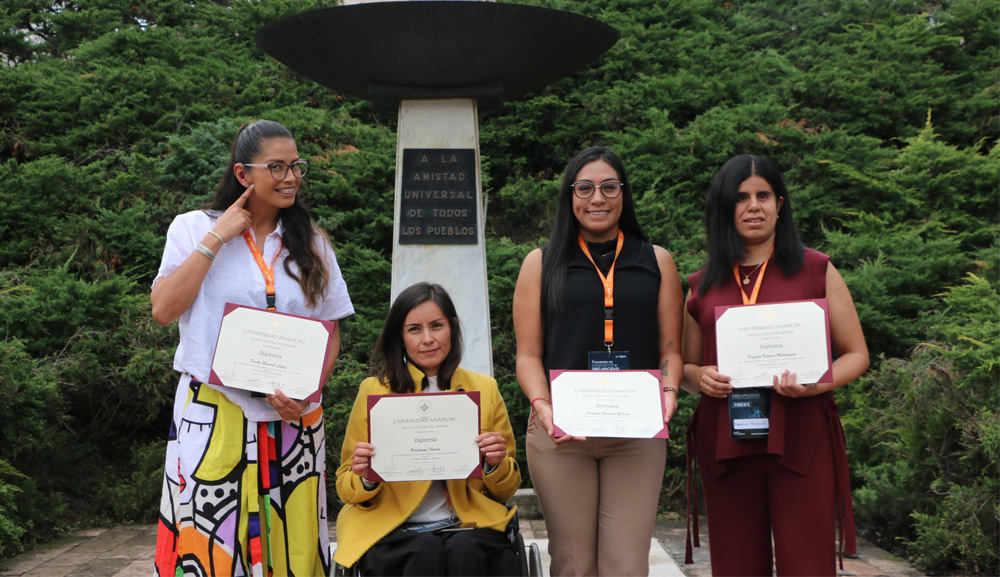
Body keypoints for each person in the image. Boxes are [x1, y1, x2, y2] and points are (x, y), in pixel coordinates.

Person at [151, 119, 355, 577]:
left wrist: (306, 394)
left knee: (294, 547)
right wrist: (216, 238)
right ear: (244, 174)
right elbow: (164, 309)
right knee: (212, 547)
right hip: (213, 413)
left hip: (293, 419)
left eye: (296, 166)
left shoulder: (314, 243)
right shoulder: (192, 228)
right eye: (276, 167)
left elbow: (329, 332)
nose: (291, 177)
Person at [681, 154, 869, 576]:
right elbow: (685, 368)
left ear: (779, 203)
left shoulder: (816, 268)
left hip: (801, 435)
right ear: (724, 207)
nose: (754, 206)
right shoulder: (702, 283)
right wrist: (699, 377)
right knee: (735, 565)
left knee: (807, 564)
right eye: (741, 197)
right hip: (727, 443)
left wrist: (814, 385)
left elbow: (857, 354)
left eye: (763, 195)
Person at [512, 147, 684, 576]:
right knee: (573, 564)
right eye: (584, 188)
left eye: (609, 187)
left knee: (625, 566)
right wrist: (542, 406)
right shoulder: (541, 262)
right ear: (570, 196)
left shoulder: (656, 261)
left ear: (624, 194)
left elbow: (671, 350)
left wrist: (668, 392)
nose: (597, 198)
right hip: (562, 434)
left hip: (636, 433)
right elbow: (529, 355)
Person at [334, 282, 522, 575]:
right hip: (393, 526)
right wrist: (366, 477)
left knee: (465, 551)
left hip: (469, 524)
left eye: (437, 326)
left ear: (452, 327)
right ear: (400, 336)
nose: (428, 339)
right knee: (423, 551)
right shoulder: (373, 391)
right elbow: (346, 487)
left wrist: (494, 465)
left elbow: (507, 488)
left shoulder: (484, 389)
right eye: (414, 329)